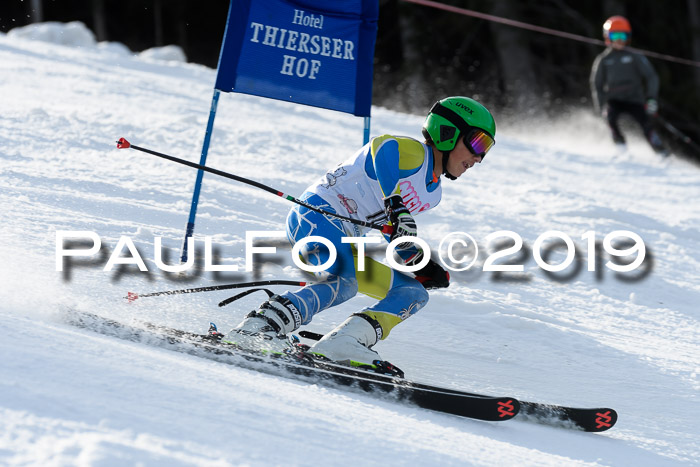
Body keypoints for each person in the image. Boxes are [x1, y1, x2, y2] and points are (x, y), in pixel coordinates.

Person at [224, 97, 496, 371]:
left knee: (412, 292)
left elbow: (394, 231)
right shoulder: (415, 154)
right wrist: (394, 200)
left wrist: (420, 263)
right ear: (447, 132)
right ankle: (258, 328)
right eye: (477, 143)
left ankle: (344, 343)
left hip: (346, 241)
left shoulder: (432, 193)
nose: (479, 157)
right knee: (347, 282)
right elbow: (382, 146)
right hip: (315, 217)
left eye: (486, 149)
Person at [590, 15, 668, 156]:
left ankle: (661, 152)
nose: (619, 40)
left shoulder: (635, 56)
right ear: (608, 37)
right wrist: (600, 106)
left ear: (628, 37)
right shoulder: (604, 59)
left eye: (623, 36)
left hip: (635, 99)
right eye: (615, 35)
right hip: (614, 100)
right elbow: (597, 84)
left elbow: (651, 77)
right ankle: (621, 147)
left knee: (646, 124)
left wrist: (651, 99)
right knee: (610, 118)